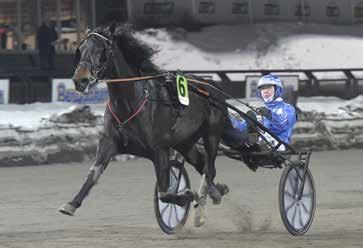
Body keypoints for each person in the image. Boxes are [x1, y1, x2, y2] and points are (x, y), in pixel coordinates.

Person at [222, 74, 297, 153]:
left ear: (277, 89)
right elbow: (243, 127)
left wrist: (269, 114)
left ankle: (251, 141)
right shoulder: (259, 111)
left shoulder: (288, 108)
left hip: (278, 145)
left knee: (251, 122)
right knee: (247, 119)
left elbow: (283, 125)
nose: (265, 91)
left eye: (269, 87)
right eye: (262, 89)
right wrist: (230, 119)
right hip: (259, 142)